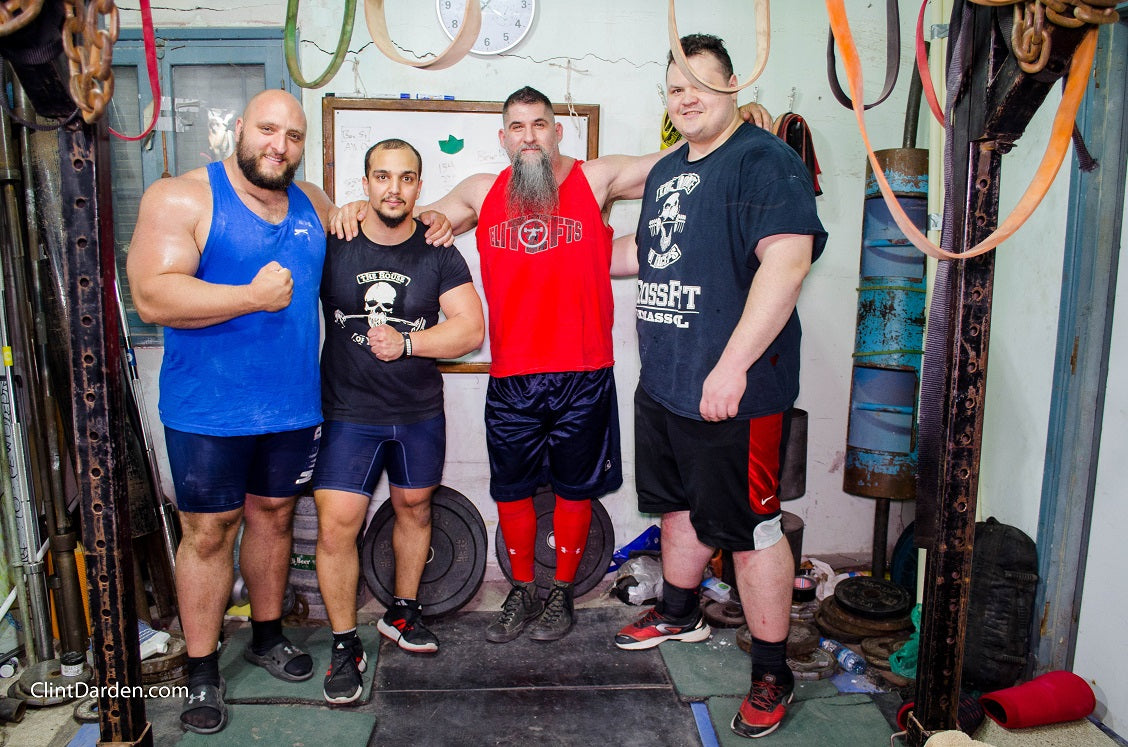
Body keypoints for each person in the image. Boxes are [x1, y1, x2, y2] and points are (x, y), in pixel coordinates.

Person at [335, 87, 771, 645]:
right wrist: (352, 208)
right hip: (512, 375)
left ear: (557, 131)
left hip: (583, 372)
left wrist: (729, 126)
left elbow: (679, 160)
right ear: (503, 137)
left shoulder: (595, 179)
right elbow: (407, 216)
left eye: (539, 124)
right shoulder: (480, 191)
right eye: (517, 127)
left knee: (574, 490)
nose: (529, 137)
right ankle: (521, 590)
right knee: (511, 491)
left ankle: (561, 592)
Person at [126, 90, 451, 734]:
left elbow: (381, 224)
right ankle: (201, 669)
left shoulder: (312, 203)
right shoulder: (181, 197)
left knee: (273, 519)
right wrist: (250, 297)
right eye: (268, 130)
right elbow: (152, 297)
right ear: (239, 128)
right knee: (208, 533)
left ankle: (267, 636)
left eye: (293, 136)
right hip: (209, 410)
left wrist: (431, 217)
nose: (279, 145)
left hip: (292, 407)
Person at [611, 35, 826, 741]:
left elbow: (786, 264)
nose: (687, 97)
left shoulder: (765, 162)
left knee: (751, 531)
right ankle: (679, 613)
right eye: (676, 87)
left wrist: (731, 366)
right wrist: (572, 256)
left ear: (733, 85)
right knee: (677, 506)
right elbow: (652, 252)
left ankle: (772, 671)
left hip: (736, 392)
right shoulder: (671, 169)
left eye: (701, 83)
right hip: (666, 381)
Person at [313, 139, 483, 705]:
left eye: (406, 178)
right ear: (365, 184)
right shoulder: (336, 242)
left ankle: (402, 614)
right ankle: (344, 644)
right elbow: (295, 198)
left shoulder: (438, 250)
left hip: (417, 412)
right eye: (382, 176)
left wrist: (409, 343)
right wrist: (334, 209)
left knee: (415, 508)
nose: (394, 188)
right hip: (348, 411)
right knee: (338, 525)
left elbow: (470, 328)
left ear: (418, 186)